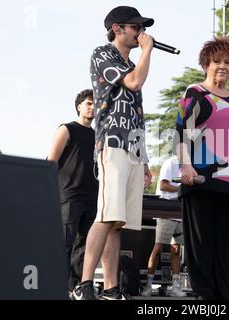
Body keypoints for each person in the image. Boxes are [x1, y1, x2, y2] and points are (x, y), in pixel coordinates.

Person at [72, 6, 153, 300]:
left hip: (132, 148)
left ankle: (110, 288)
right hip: (112, 142)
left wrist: (144, 158)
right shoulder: (102, 53)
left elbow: (138, 113)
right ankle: (83, 284)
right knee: (106, 215)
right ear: (118, 28)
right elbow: (134, 82)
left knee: (118, 222)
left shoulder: (132, 63)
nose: (140, 32)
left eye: (141, 28)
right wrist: (148, 51)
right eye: (136, 27)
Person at [174, 37, 229, 300]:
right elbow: (181, 131)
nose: (222, 66)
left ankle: (225, 297)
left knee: (224, 245)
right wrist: (185, 165)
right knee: (201, 245)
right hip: (199, 179)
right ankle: (206, 298)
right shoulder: (194, 92)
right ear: (205, 65)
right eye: (216, 61)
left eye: (227, 62)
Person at [47, 89, 98, 296]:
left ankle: (73, 287)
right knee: (64, 243)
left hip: (92, 197)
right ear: (79, 106)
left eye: (95, 103)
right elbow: (51, 161)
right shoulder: (66, 129)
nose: (92, 107)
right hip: (68, 195)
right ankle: (54, 285)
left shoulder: (98, 135)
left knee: (85, 246)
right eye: (88, 103)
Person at [141, 155, 186, 297]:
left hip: (179, 211)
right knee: (158, 247)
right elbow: (163, 185)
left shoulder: (189, 165)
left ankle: (176, 286)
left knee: (176, 251)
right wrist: (181, 189)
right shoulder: (170, 163)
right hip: (166, 210)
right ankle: (148, 285)